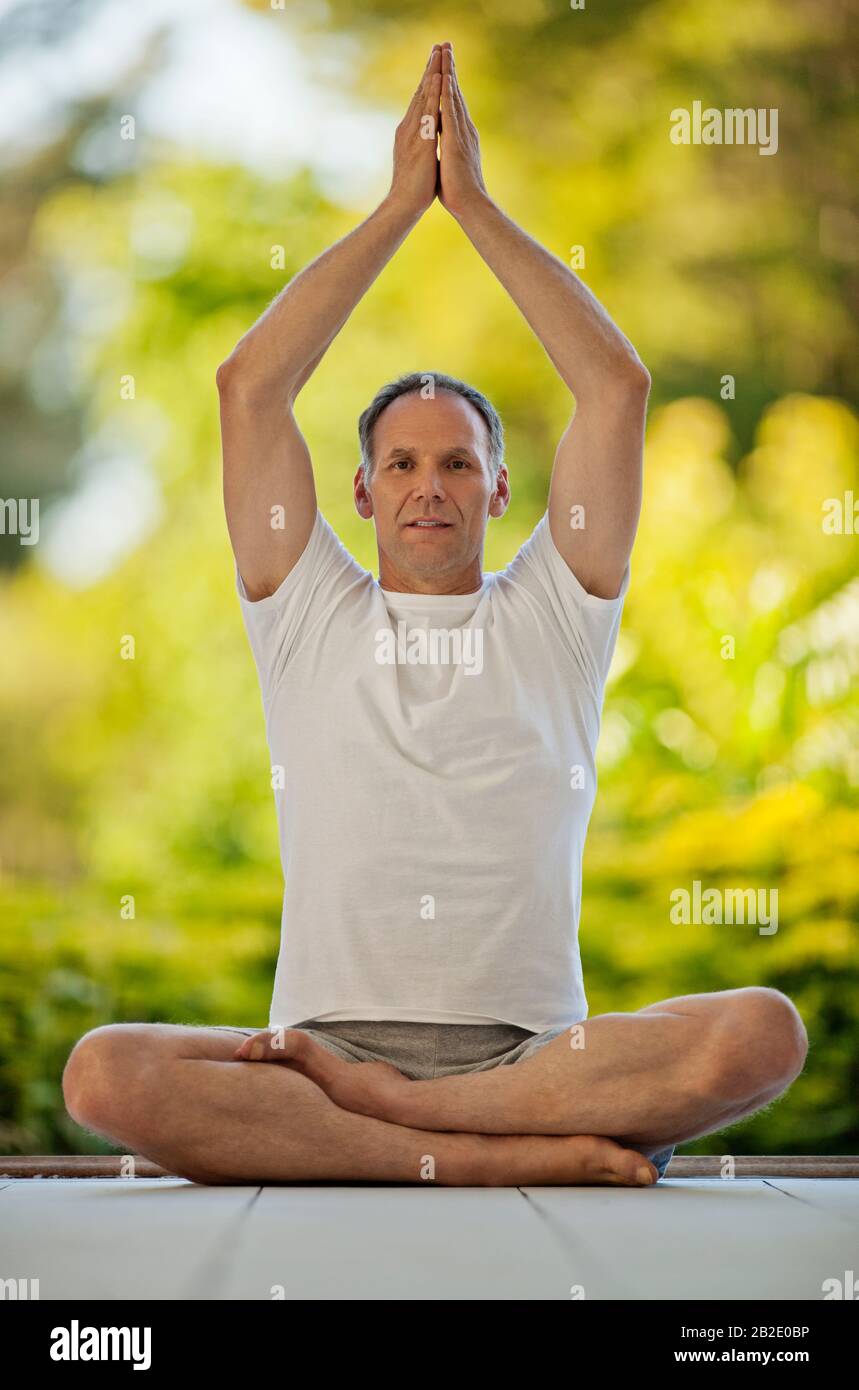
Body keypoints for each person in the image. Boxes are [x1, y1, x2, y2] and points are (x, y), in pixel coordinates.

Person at [63, 42, 807, 1188]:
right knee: (105, 1074)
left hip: (534, 1056)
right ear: (357, 491)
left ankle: (428, 1125)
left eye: (458, 464)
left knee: (762, 1031)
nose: (427, 485)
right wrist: (399, 208)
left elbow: (616, 387)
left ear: (500, 490)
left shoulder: (555, 614)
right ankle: (456, 1154)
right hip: (325, 1055)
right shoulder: (304, 612)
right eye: (401, 463)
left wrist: (478, 208)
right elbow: (247, 387)